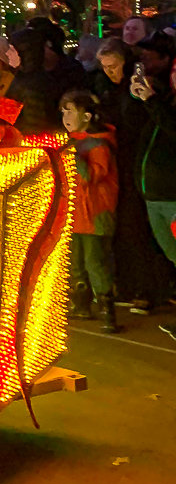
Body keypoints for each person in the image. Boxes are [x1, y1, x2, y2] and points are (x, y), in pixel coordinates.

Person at [93, 36, 175, 312]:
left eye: (114, 66)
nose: (110, 72)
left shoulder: (145, 90)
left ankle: (150, 289)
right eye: (105, 67)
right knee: (129, 230)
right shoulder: (107, 89)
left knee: (144, 232)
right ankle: (131, 285)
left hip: (145, 172)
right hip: (126, 169)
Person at [61, 89, 120, 333]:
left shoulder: (98, 144)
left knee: (96, 262)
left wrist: (73, 154)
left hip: (96, 212)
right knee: (75, 262)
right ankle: (81, 304)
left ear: (86, 116)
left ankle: (108, 310)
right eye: (63, 110)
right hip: (75, 213)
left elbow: (91, 176)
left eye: (70, 110)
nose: (65, 115)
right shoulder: (73, 141)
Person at [129, 34, 176, 270]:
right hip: (153, 194)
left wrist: (152, 101)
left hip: (172, 196)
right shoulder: (166, 97)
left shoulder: (161, 102)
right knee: (169, 253)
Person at [5, 28, 62, 133]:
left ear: (24, 52)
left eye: (12, 49)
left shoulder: (34, 84)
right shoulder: (22, 78)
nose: (7, 53)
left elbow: (35, 124)